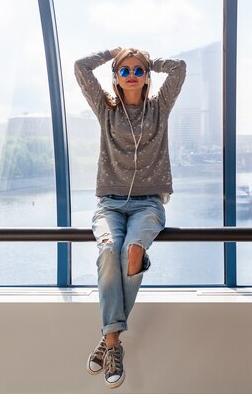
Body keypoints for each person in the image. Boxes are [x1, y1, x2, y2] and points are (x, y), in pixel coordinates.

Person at [74, 47, 186, 389]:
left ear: (148, 76)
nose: (133, 75)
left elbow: (180, 69)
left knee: (133, 251)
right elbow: (80, 67)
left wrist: (149, 60)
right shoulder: (105, 109)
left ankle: (109, 341)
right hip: (110, 203)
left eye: (139, 71)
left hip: (148, 204)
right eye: (125, 71)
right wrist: (114, 52)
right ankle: (113, 342)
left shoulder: (159, 108)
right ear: (115, 77)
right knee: (109, 251)